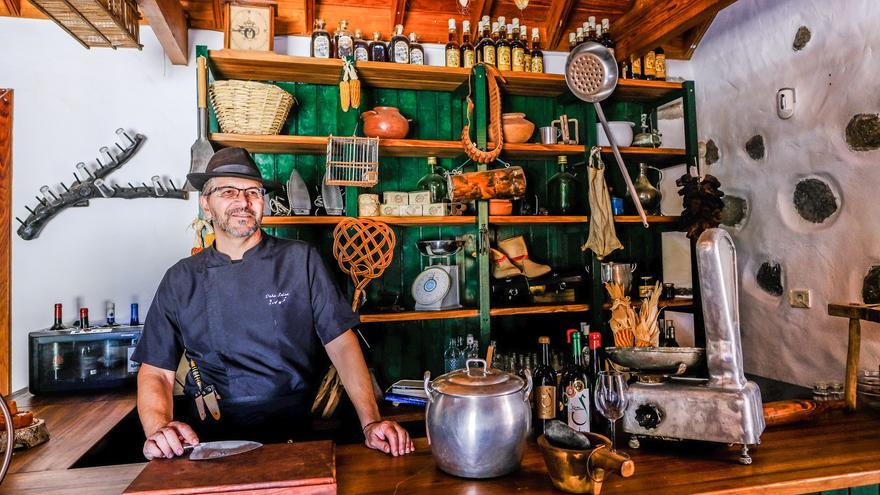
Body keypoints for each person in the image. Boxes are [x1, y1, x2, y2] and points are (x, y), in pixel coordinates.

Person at [132, 147, 413, 460]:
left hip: (296, 436)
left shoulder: (299, 260)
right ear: (206, 205)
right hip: (212, 441)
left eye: (253, 191)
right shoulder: (181, 278)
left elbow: (343, 345)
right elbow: (156, 370)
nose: (243, 201)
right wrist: (159, 428)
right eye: (228, 191)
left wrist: (371, 421)